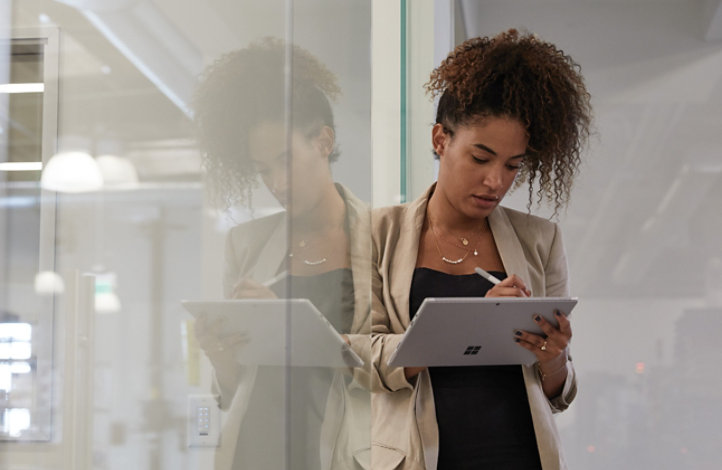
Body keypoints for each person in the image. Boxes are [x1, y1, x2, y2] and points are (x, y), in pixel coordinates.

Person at [370, 29, 592, 470]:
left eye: (513, 166)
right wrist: (469, 325)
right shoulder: (378, 233)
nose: (496, 181)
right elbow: (360, 360)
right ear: (440, 140)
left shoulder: (540, 240)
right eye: (480, 157)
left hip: (521, 456)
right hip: (419, 458)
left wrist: (554, 358)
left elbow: (558, 393)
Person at [192, 38, 371, 470]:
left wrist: (294, 327)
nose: (276, 181)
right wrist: (222, 357)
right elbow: (237, 390)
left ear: (323, 142)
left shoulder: (385, 237)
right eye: (264, 169)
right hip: (255, 450)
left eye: (285, 160)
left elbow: (399, 366)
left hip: (340, 453)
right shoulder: (246, 243)